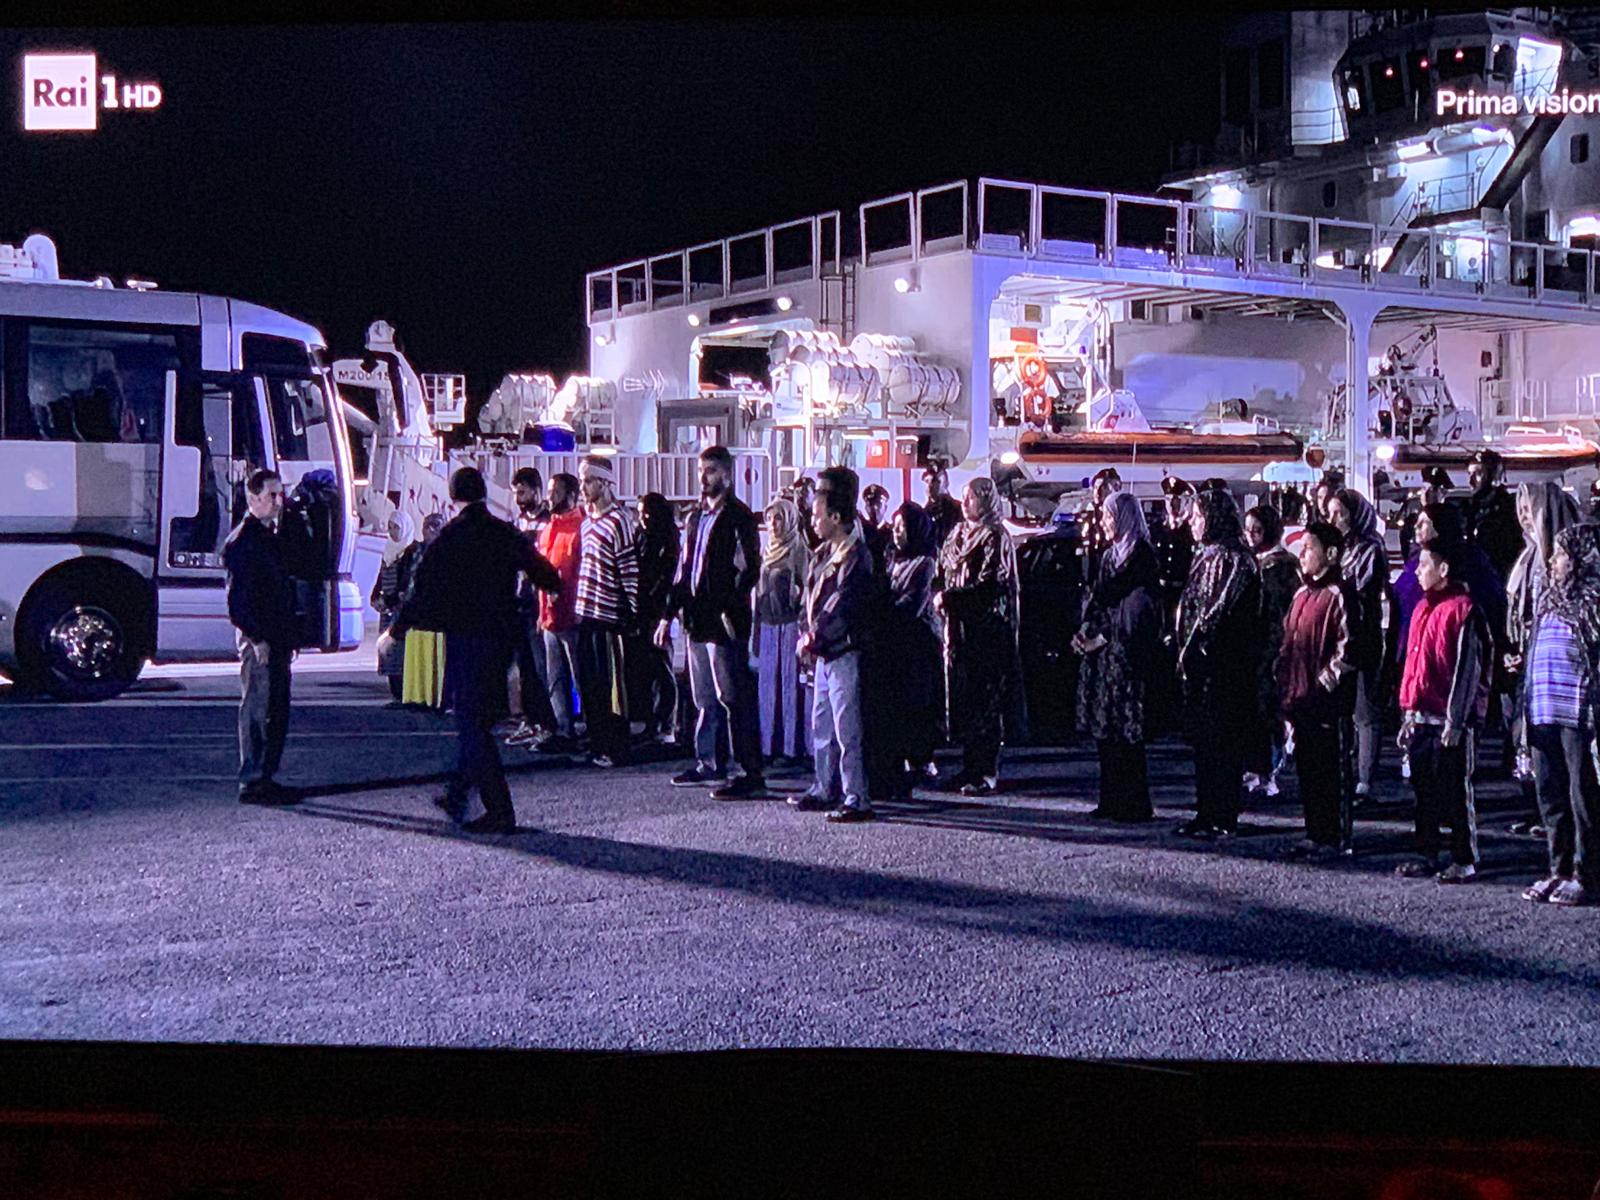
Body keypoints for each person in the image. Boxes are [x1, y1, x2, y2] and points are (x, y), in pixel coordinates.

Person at [379, 466, 561, 835]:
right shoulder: (503, 532)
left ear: (453, 497)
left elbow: (421, 590)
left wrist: (394, 633)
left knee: (471, 723)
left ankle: (499, 809)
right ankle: (459, 791)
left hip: (467, 638)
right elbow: (541, 569)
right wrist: (551, 586)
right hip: (503, 637)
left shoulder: (449, 538)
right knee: (479, 719)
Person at [662, 445, 767, 799]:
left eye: (710, 471)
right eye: (700, 471)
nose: (703, 478)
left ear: (727, 474)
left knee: (732, 696)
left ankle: (749, 770)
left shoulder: (739, 517)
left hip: (723, 621)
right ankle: (709, 762)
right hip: (696, 618)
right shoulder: (695, 518)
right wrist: (669, 612)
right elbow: (685, 568)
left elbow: (749, 568)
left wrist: (727, 603)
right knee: (704, 696)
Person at [1395, 536, 1492, 882]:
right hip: (1421, 716)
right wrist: (1408, 713)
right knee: (1424, 790)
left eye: (1424, 565)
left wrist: (1457, 719)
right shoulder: (1423, 608)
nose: (1418, 571)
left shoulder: (1464, 610)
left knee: (1454, 789)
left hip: (1450, 720)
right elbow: (1413, 665)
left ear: (1444, 569)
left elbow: (1467, 671)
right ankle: (1427, 852)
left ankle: (1464, 857)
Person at [1174, 488, 1262, 839]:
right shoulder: (1207, 556)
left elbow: (1217, 611)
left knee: (1223, 742)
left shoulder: (1234, 559)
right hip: (1201, 666)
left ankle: (1222, 815)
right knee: (1204, 742)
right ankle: (1205, 811)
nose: (1192, 523)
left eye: (1198, 516)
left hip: (1225, 666)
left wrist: (1198, 644)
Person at [791, 465, 876, 823]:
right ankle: (823, 787)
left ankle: (856, 796)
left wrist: (813, 637)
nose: (813, 521)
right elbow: (809, 600)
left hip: (844, 651)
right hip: (823, 654)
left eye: (817, 514)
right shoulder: (824, 553)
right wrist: (807, 633)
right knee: (821, 724)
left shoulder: (856, 556)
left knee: (847, 728)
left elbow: (842, 606)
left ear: (836, 517)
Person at [1521, 523, 1600, 907]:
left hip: (1579, 714)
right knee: (1550, 793)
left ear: (1581, 559)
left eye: (1562, 554)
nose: (1553, 561)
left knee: (1582, 795)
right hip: (1544, 708)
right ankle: (1559, 868)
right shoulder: (1547, 601)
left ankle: (1586, 874)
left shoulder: (1594, 603)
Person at [1073, 491, 1161, 822]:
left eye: (1110, 517)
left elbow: (1134, 605)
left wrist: (1104, 636)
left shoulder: (1142, 556)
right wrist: (1085, 630)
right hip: (1104, 657)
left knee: (1127, 731)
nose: (1105, 523)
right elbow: (1099, 598)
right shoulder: (1110, 555)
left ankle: (1134, 803)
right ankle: (1110, 799)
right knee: (1105, 728)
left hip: (1127, 655)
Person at [1276, 522, 1359, 859]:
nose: (1303, 554)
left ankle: (1336, 837)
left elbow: (1350, 647)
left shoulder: (1340, 594)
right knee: (1308, 769)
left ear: (1331, 554)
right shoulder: (1301, 595)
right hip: (1299, 700)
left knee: (1332, 770)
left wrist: (1324, 684)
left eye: (1310, 548)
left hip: (1328, 703)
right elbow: (1288, 642)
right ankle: (1314, 831)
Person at [938, 476, 1022, 797]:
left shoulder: (995, 535)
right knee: (967, 701)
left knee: (987, 702)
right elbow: (943, 569)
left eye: (972, 498)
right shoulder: (958, 533)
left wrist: (952, 598)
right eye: (964, 497)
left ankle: (986, 770)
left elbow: (991, 583)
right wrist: (941, 593)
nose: (966, 504)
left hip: (987, 630)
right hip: (959, 629)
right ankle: (969, 765)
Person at [1504, 482, 1582, 821]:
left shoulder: (1569, 558)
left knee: (1569, 761)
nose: (1523, 516)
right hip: (1530, 660)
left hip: (1563, 674)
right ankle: (1539, 812)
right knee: (1529, 741)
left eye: (1529, 509)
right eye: (1520, 509)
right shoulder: (1527, 557)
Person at [224, 469, 299, 806]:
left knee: (275, 708)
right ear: (253, 498)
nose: (278, 501)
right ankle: (253, 780)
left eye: (280, 494)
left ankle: (266, 776)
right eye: (272, 495)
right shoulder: (243, 542)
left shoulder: (270, 537)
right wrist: (256, 639)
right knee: (257, 707)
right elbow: (238, 602)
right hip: (260, 640)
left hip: (277, 637)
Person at [573, 454, 640, 769]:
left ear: (604, 483)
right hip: (586, 613)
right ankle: (597, 742)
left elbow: (629, 569)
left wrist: (633, 612)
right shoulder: (587, 522)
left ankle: (616, 747)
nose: (583, 487)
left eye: (588, 481)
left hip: (609, 616)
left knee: (612, 686)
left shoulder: (620, 520)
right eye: (582, 480)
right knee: (589, 685)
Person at [1327, 488, 1392, 805]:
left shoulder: (1370, 547)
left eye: (1339, 513)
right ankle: (1345, 772)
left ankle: (1365, 781)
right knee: (1342, 709)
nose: (1333, 519)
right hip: (1339, 636)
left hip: (1364, 635)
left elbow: (1357, 587)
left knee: (1365, 711)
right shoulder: (1338, 548)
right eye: (1329, 512)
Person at [877, 500, 943, 799]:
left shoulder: (925, 563)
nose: (897, 532)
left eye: (902, 527)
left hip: (918, 643)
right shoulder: (892, 560)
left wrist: (882, 611)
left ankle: (922, 759)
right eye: (895, 526)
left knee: (919, 703)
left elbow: (912, 604)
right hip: (895, 643)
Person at [1245, 504, 1301, 798]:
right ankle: (1257, 765)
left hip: (1275, 644)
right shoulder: (1251, 562)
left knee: (1272, 709)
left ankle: (1272, 767)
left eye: (1257, 530)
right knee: (1256, 709)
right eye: (1248, 530)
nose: (1251, 536)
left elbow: (1284, 609)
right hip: (1253, 645)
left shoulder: (1283, 566)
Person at [754, 496, 811, 767]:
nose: (773, 524)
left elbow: (808, 589)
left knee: (789, 686)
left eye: (778, 518)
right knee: (767, 687)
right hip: (768, 624)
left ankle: (790, 748)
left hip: (790, 625)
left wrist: (803, 625)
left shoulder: (798, 549)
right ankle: (767, 746)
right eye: (769, 518)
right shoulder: (767, 550)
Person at [506, 466, 556, 747]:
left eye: (522, 492)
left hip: (540, 603)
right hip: (521, 602)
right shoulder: (519, 522)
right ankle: (531, 719)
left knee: (541, 666)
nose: (519, 499)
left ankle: (550, 723)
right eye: (516, 493)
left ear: (537, 491)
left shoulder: (549, 522)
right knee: (524, 665)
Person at [537, 472, 585, 751]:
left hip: (573, 615)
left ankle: (592, 729)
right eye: (549, 491)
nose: (550, 496)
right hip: (549, 617)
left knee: (582, 677)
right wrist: (540, 613)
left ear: (570, 495)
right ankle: (564, 730)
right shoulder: (548, 528)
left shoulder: (581, 527)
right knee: (555, 677)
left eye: (555, 491)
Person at [632, 492, 681, 745]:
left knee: (663, 669)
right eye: (640, 513)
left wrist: (665, 613)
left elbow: (669, 577)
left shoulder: (668, 537)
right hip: (642, 609)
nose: (643, 518)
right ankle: (651, 722)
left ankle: (667, 725)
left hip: (660, 610)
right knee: (647, 669)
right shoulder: (641, 535)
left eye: (647, 513)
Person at [371, 512, 425, 702]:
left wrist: (391, 600)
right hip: (387, 610)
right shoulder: (389, 550)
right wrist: (375, 598)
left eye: (396, 527)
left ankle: (404, 693)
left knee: (401, 650)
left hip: (401, 609)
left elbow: (407, 582)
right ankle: (395, 691)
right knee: (388, 650)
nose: (392, 531)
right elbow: (381, 577)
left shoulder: (412, 551)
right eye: (390, 527)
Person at [399, 513, 449, 709]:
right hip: (416, 612)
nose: (430, 531)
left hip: (438, 615)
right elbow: (406, 575)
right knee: (417, 656)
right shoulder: (414, 551)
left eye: (435, 527)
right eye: (428, 526)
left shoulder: (448, 552)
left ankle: (438, 698)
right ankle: (417, 696)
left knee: (437, 658)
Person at [1462, 449, 1522, 582]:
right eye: (1469, 474)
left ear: (1494, 476)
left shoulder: (1509, 509)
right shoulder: (1469, 509)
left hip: (1500, 578)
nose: (1471, 481)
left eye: (1478, 474)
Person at [1078, 468, 1122, 580]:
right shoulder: (1090, 513)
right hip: (1094, 563)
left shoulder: (1122, 513)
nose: (1097, 492)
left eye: (1103, 487)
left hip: (1114, 563)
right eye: (1095, 487)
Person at [922, 460, 963, 558]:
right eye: (927, 481)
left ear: (944, 482)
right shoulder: (924, 513)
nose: (930, 486)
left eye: (934, 481)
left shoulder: (957, 509)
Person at [860, 483, 891, 576]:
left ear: (885, 507)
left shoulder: (892, 533)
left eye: (878, 504)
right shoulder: (861, 532)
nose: (874, 508)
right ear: (865, 508)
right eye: (870, 504)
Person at [792, 476, 821, 551]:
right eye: (797, 493)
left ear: (814, 495)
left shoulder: (820, 521)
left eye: (804, 492)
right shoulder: (791, 521)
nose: (800, 497)